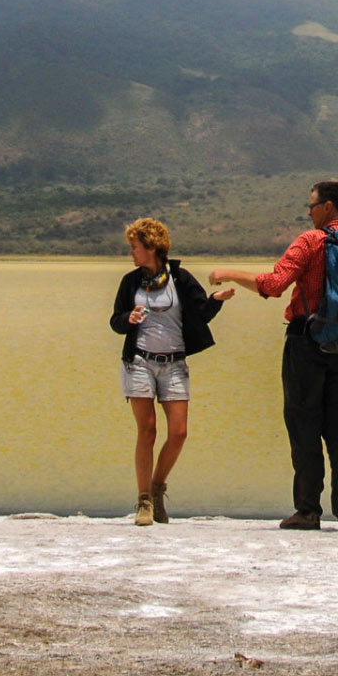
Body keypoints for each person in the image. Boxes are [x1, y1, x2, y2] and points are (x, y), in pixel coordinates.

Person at [208, 180, 338, 532]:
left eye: (312, 205)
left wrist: (229, 274)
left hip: (306, 344)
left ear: (328, 207)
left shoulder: (311, 241)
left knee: (304, 428)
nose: (309, 211)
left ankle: (308, 511)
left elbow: (274, 285)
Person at [110, 217, 234, 526]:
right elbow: (115, 321)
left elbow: (201, 312)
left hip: (174, 364)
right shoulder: (130, 282)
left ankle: (156, 487)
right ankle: (143, 503)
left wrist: (216, 300)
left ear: (151, 247)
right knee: (147, 430)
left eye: (135, 247)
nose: (131, 253)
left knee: (178, 433)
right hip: (139, 362)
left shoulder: (180, 278)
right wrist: (130, 319)